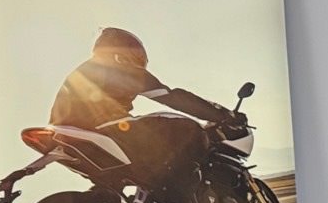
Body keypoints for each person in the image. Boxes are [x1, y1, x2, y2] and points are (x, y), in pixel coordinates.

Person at [49, 28, 232, 132]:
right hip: (102, 128)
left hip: (68, 133)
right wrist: (222, 116)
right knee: (186, 128)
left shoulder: (84, 71)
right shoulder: (119, 69)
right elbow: (172, 97)